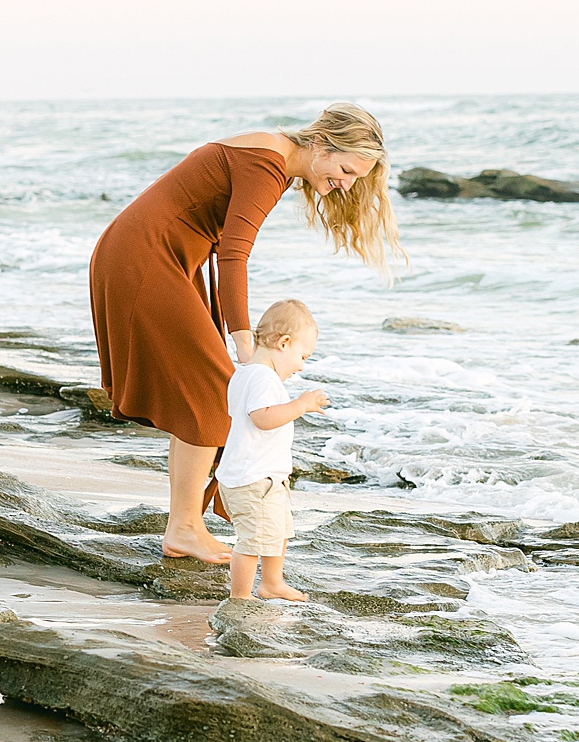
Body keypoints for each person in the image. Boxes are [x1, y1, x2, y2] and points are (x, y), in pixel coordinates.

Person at [88, 104, 398, 562]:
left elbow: (209, 237)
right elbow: (234, 253)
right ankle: (186, 527)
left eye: (356, 179)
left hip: (155, 256)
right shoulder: (267, 164)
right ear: (321, 144)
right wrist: (243, 338)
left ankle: (183, 526)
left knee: (205, 393)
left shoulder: (273, 156)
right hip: (146, 258)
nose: (346, 184)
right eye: (346, 170)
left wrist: (214, 314)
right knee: (216, 393)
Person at [218, 299, 325, 601]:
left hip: (260, 476)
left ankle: (272, 582)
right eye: (302, 356)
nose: (302, 365)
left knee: (276, 530)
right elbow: (262, 418)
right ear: (284, 343)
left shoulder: (246, 373)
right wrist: (300, 405)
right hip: (254, 480)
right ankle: (240, 595)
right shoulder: (263, 377)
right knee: (252, 541)